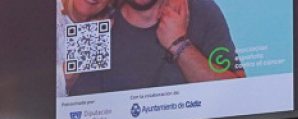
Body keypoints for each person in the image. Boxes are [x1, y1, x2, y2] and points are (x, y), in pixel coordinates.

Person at [64, 0, 245, 96]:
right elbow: (82, 115)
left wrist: (179, 44)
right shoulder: (96, 25)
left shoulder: (201, 10)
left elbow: (238, 95)